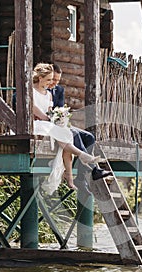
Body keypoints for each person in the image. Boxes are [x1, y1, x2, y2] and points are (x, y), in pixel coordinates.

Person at [32, 62, 100, 195]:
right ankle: (82, 156)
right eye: (48, 80)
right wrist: (49, 119)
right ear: (40, 78)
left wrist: (57, 118)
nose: (51, 83)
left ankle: (70, 175)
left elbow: (51, 110)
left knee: (66, 134)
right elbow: (33, 108)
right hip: (37, 123)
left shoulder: (49, 94)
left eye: (52, 80)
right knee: (63, 134)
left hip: (49, 124)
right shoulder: (31, 91)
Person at [48, 64, 111, 192]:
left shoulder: (59, 90)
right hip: (49, 126)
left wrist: (62, 118)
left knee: (89, 137)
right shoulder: (41, 90)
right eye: (53, 79)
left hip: (59, 124)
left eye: (57, 80)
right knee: (74, 135)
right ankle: (93, 168)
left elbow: (60, 109)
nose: (55, 83)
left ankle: (81, 178)